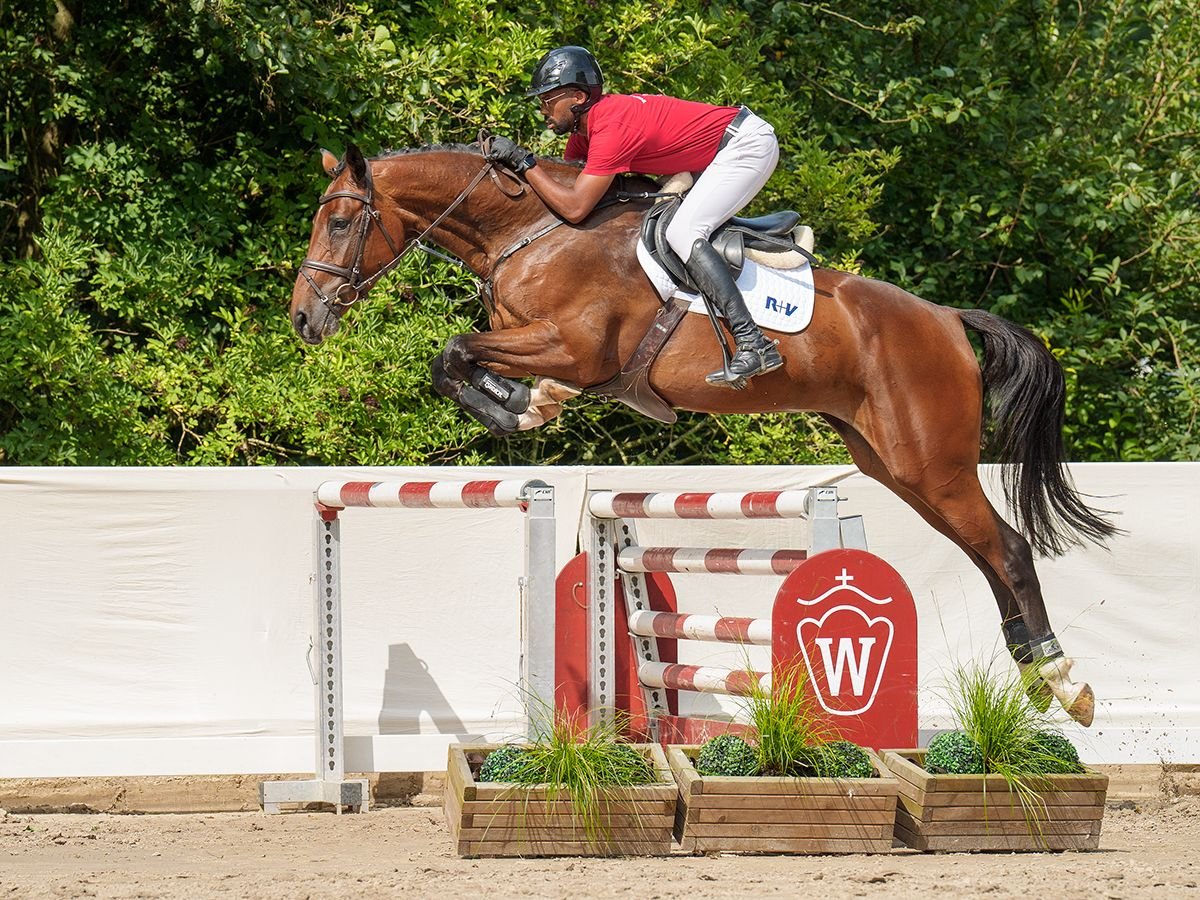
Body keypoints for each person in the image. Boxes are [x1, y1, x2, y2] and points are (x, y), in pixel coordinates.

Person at [486, 45, 783, 387]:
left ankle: (753, 342)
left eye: (548, 99)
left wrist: (525, 163)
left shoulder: (611, 126)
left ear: (578, 97)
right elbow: (567, 205)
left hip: (745, 145)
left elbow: (575, 207)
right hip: (713, 155)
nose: (543, 110)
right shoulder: (583, 138)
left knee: (684, 232)